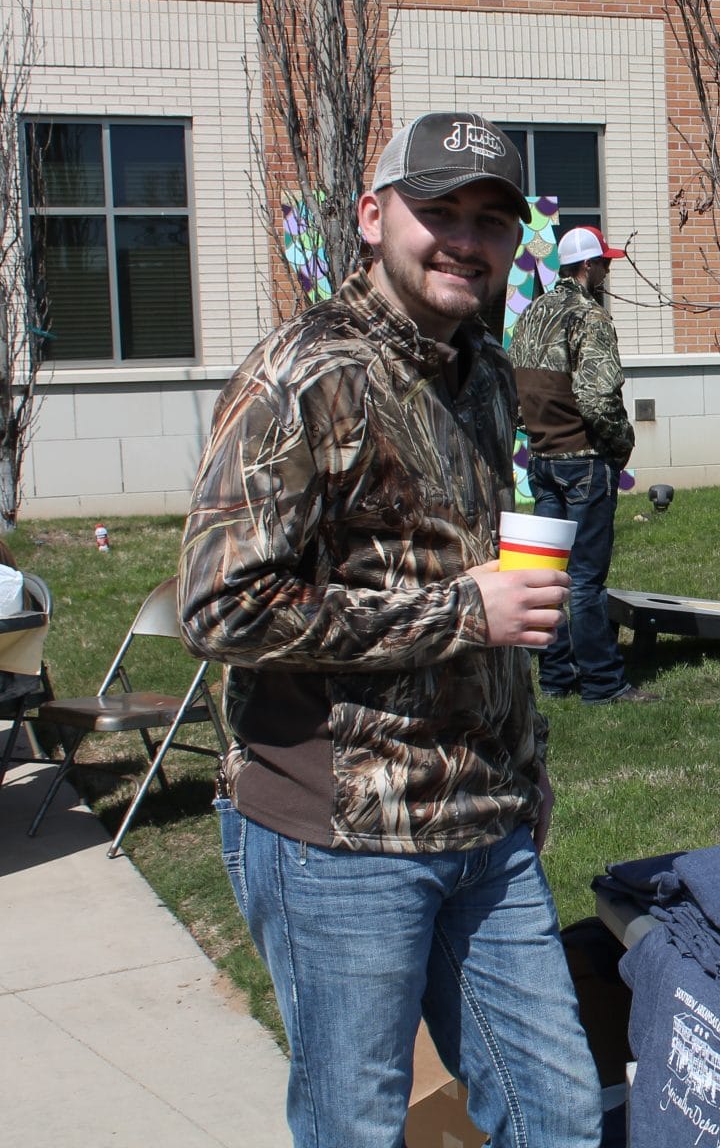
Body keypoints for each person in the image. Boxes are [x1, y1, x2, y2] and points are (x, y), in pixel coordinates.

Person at [179, 110, 606, 1148]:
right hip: (341, 835)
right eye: (439, 212)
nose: (466, 238)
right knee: (357, 1124)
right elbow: (220, 605)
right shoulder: (303, 375)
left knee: (559, 1112)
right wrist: (465, 610)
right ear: (373, 218)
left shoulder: (488, 375)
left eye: (492, 219)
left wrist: (527, 755)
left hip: (487, 820)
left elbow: (474, 575)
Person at [510, 223, 654, 704]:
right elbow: (596, 398)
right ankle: (603, 682)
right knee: (587, 581)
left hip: (543, 461)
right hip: (584, 462)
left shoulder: (532, 313)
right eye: (606, 263)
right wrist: (621, 443)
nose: (609, 271)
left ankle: (555, 678)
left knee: (547, 578)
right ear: (588, 266)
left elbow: (515, 397)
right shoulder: (589, 318)